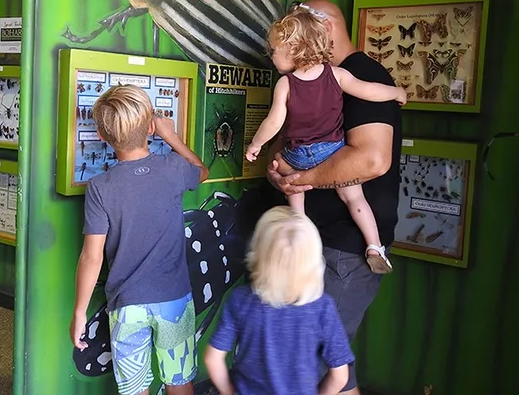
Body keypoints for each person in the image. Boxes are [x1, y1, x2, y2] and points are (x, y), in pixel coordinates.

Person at [266, 0, 403, 395]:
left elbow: (372, 159)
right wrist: (283, 175)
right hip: (317, 241)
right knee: (327, 360)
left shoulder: (358, 75)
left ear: (321, 29)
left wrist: (304, 177)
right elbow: (287, 141)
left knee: (319, 358)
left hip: (345, 248)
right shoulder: (302, 78)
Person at [69, 85, 209, 395]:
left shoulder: (100, 187)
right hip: (174, 299)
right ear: (150, 127)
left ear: (103, 137)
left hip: (127, 305)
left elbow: (91, 258)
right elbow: (202, 170)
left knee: (134, 388)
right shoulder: (173, 167)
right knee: (179, 379)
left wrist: (79, 313)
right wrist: (171, 137)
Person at [246, 3, 405, 273]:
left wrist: (257, 146)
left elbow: (274, 123)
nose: (271, 57)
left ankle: (300, 242)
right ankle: (374, 245)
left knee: (293, 194)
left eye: (274, 51)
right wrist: (397, 93)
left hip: (299, 157)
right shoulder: (339, 75)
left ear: (295, 49)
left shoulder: (286, 84)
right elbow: (371, 91)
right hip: (332, 148)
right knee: (356, 200)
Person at [204, 206, 355, 395]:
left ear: (258, 251)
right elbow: (340, 375)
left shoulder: (239, 300)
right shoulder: (323, 308)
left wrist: (228, 392)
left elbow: (213, 359)